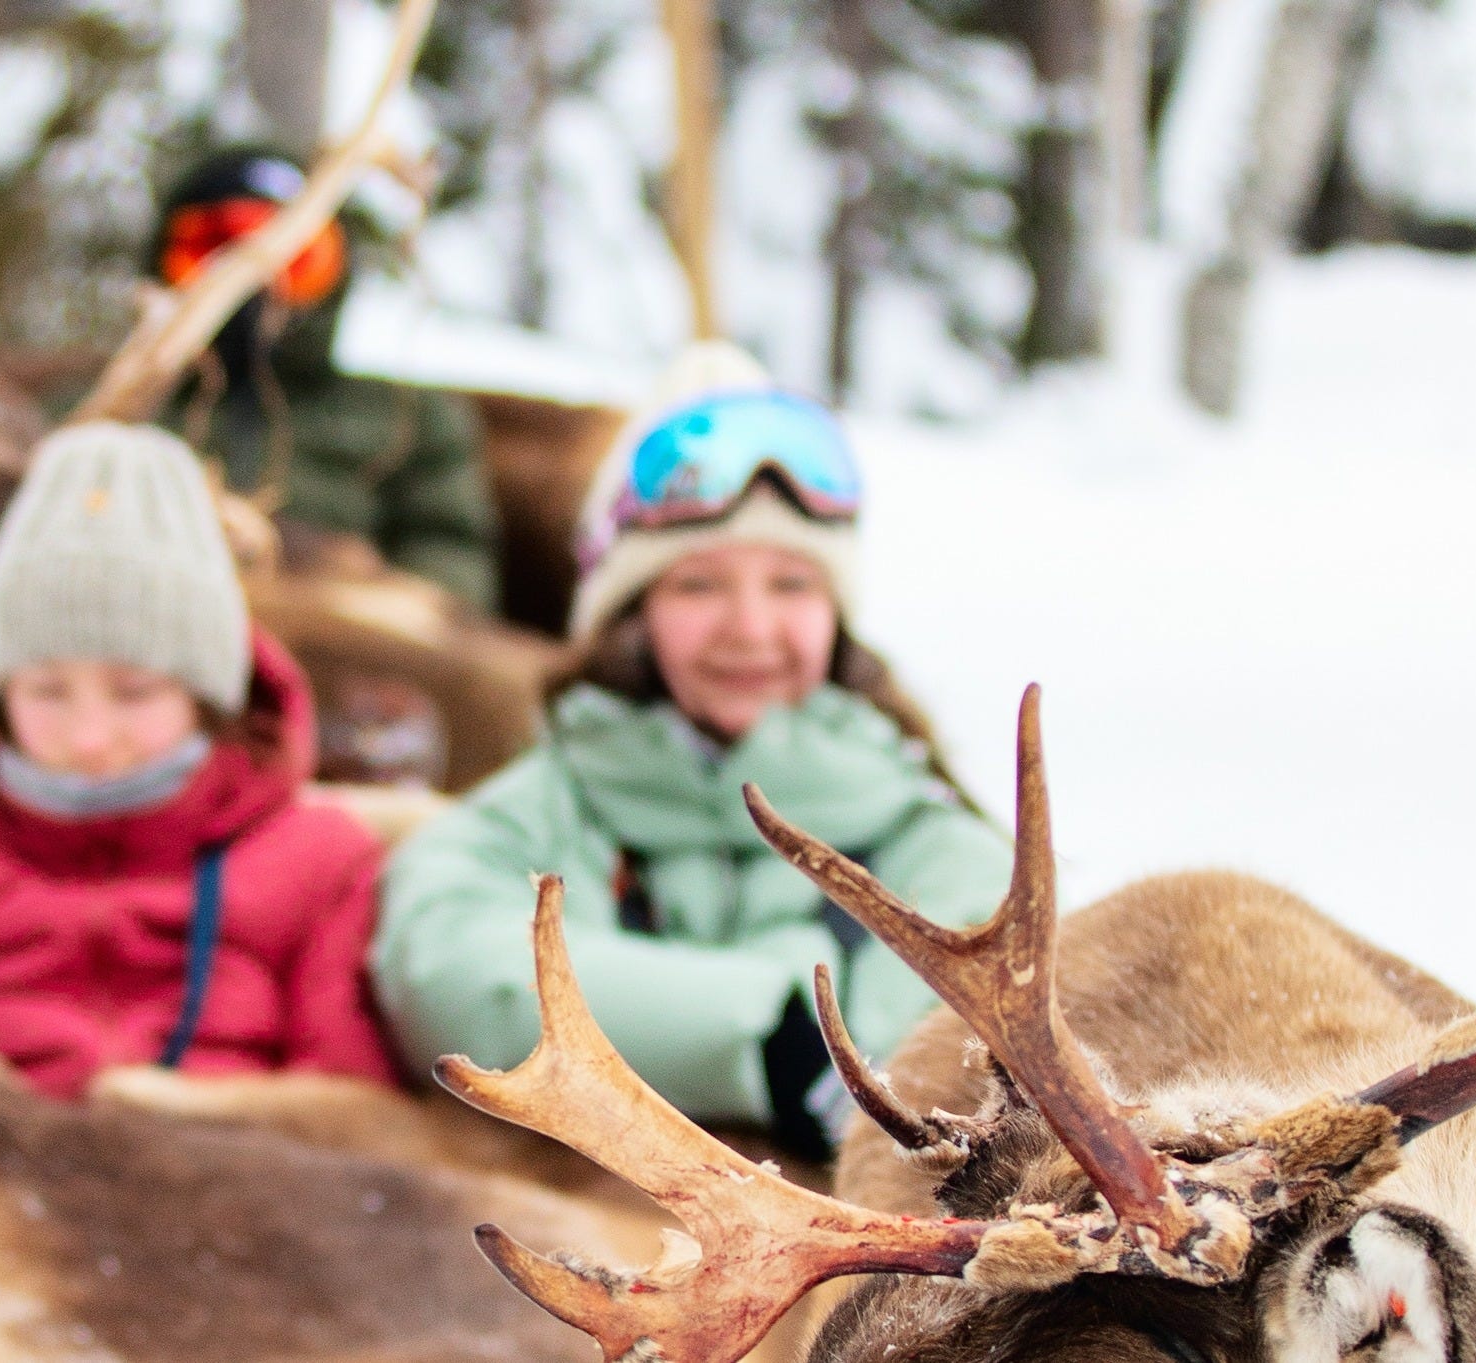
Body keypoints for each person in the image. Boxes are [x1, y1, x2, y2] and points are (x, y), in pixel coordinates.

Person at [368, 348, 1010, 1165]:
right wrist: (774, 1040)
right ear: (632, 615)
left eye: (791, 585)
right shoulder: (535, 811)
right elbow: (446, 967)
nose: (749, 626)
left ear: (837, 614)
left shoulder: (937, 844)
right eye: (700, 585)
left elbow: (953, 1044)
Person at [0, 422, 400, 1101]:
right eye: (46, 691)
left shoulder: (320, 861)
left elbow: (349, 1111)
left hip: (229, 1184)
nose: (91, 736)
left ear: (208, 694)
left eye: (135, 692)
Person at [148, 147, 499, 614]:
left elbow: (452, 567)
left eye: (297, 260)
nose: (258, 284)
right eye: (213, 250)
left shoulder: (409, 422)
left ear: (339, 271)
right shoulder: (103, 413)